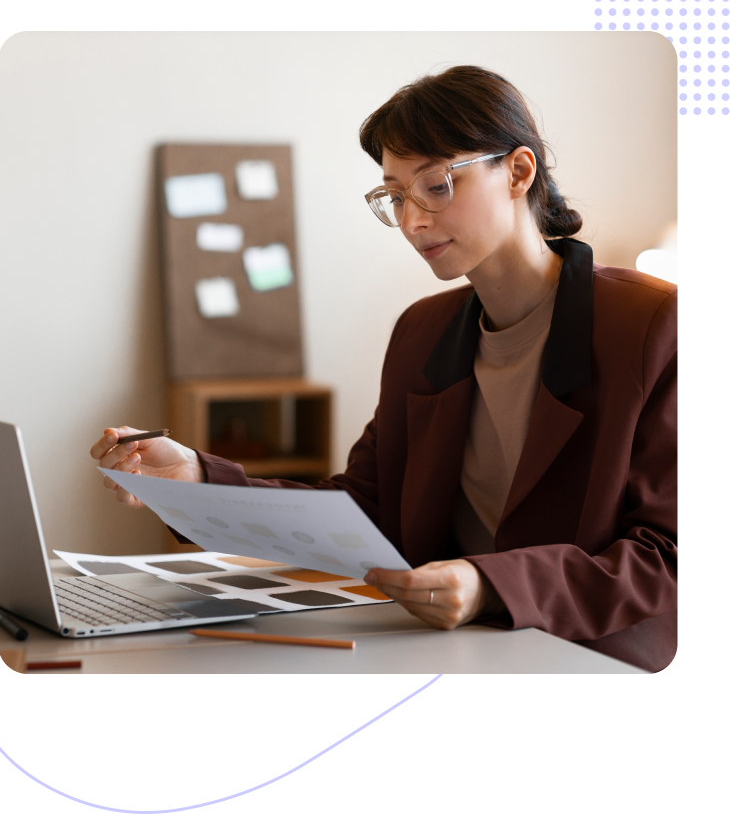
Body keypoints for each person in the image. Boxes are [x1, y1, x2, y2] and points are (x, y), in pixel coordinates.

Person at [90, 66, 677, 672]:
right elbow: (362, 510)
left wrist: (490, 585)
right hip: (444, 650)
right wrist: (196, 482)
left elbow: (664, 556)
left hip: (586, 654)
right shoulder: (421, 333)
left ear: (519, 172)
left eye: (437, 185)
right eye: (395, 196)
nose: (412, 220)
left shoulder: (653, 324)